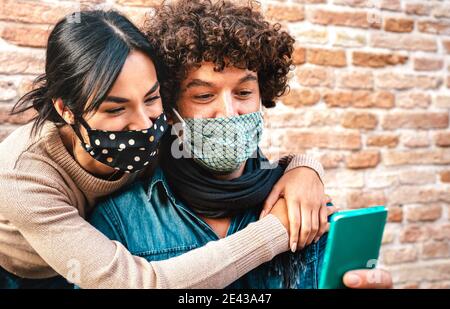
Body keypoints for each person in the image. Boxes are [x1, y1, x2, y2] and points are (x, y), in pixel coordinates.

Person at [0, 10, 328, 289]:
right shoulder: (21, 176)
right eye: (116, 110)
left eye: (151, 98)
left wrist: (304, 168)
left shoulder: (165, 128)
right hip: (27, 273)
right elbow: (139, 283)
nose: (144, 125)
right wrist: (275, 231)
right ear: (67, 110)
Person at [90, 0, 393, 289]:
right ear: (169, 110)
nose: (229, 112)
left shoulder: (307, 206)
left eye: (244, 92)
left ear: (264, 94)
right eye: (204, 95)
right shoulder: (119, 219)